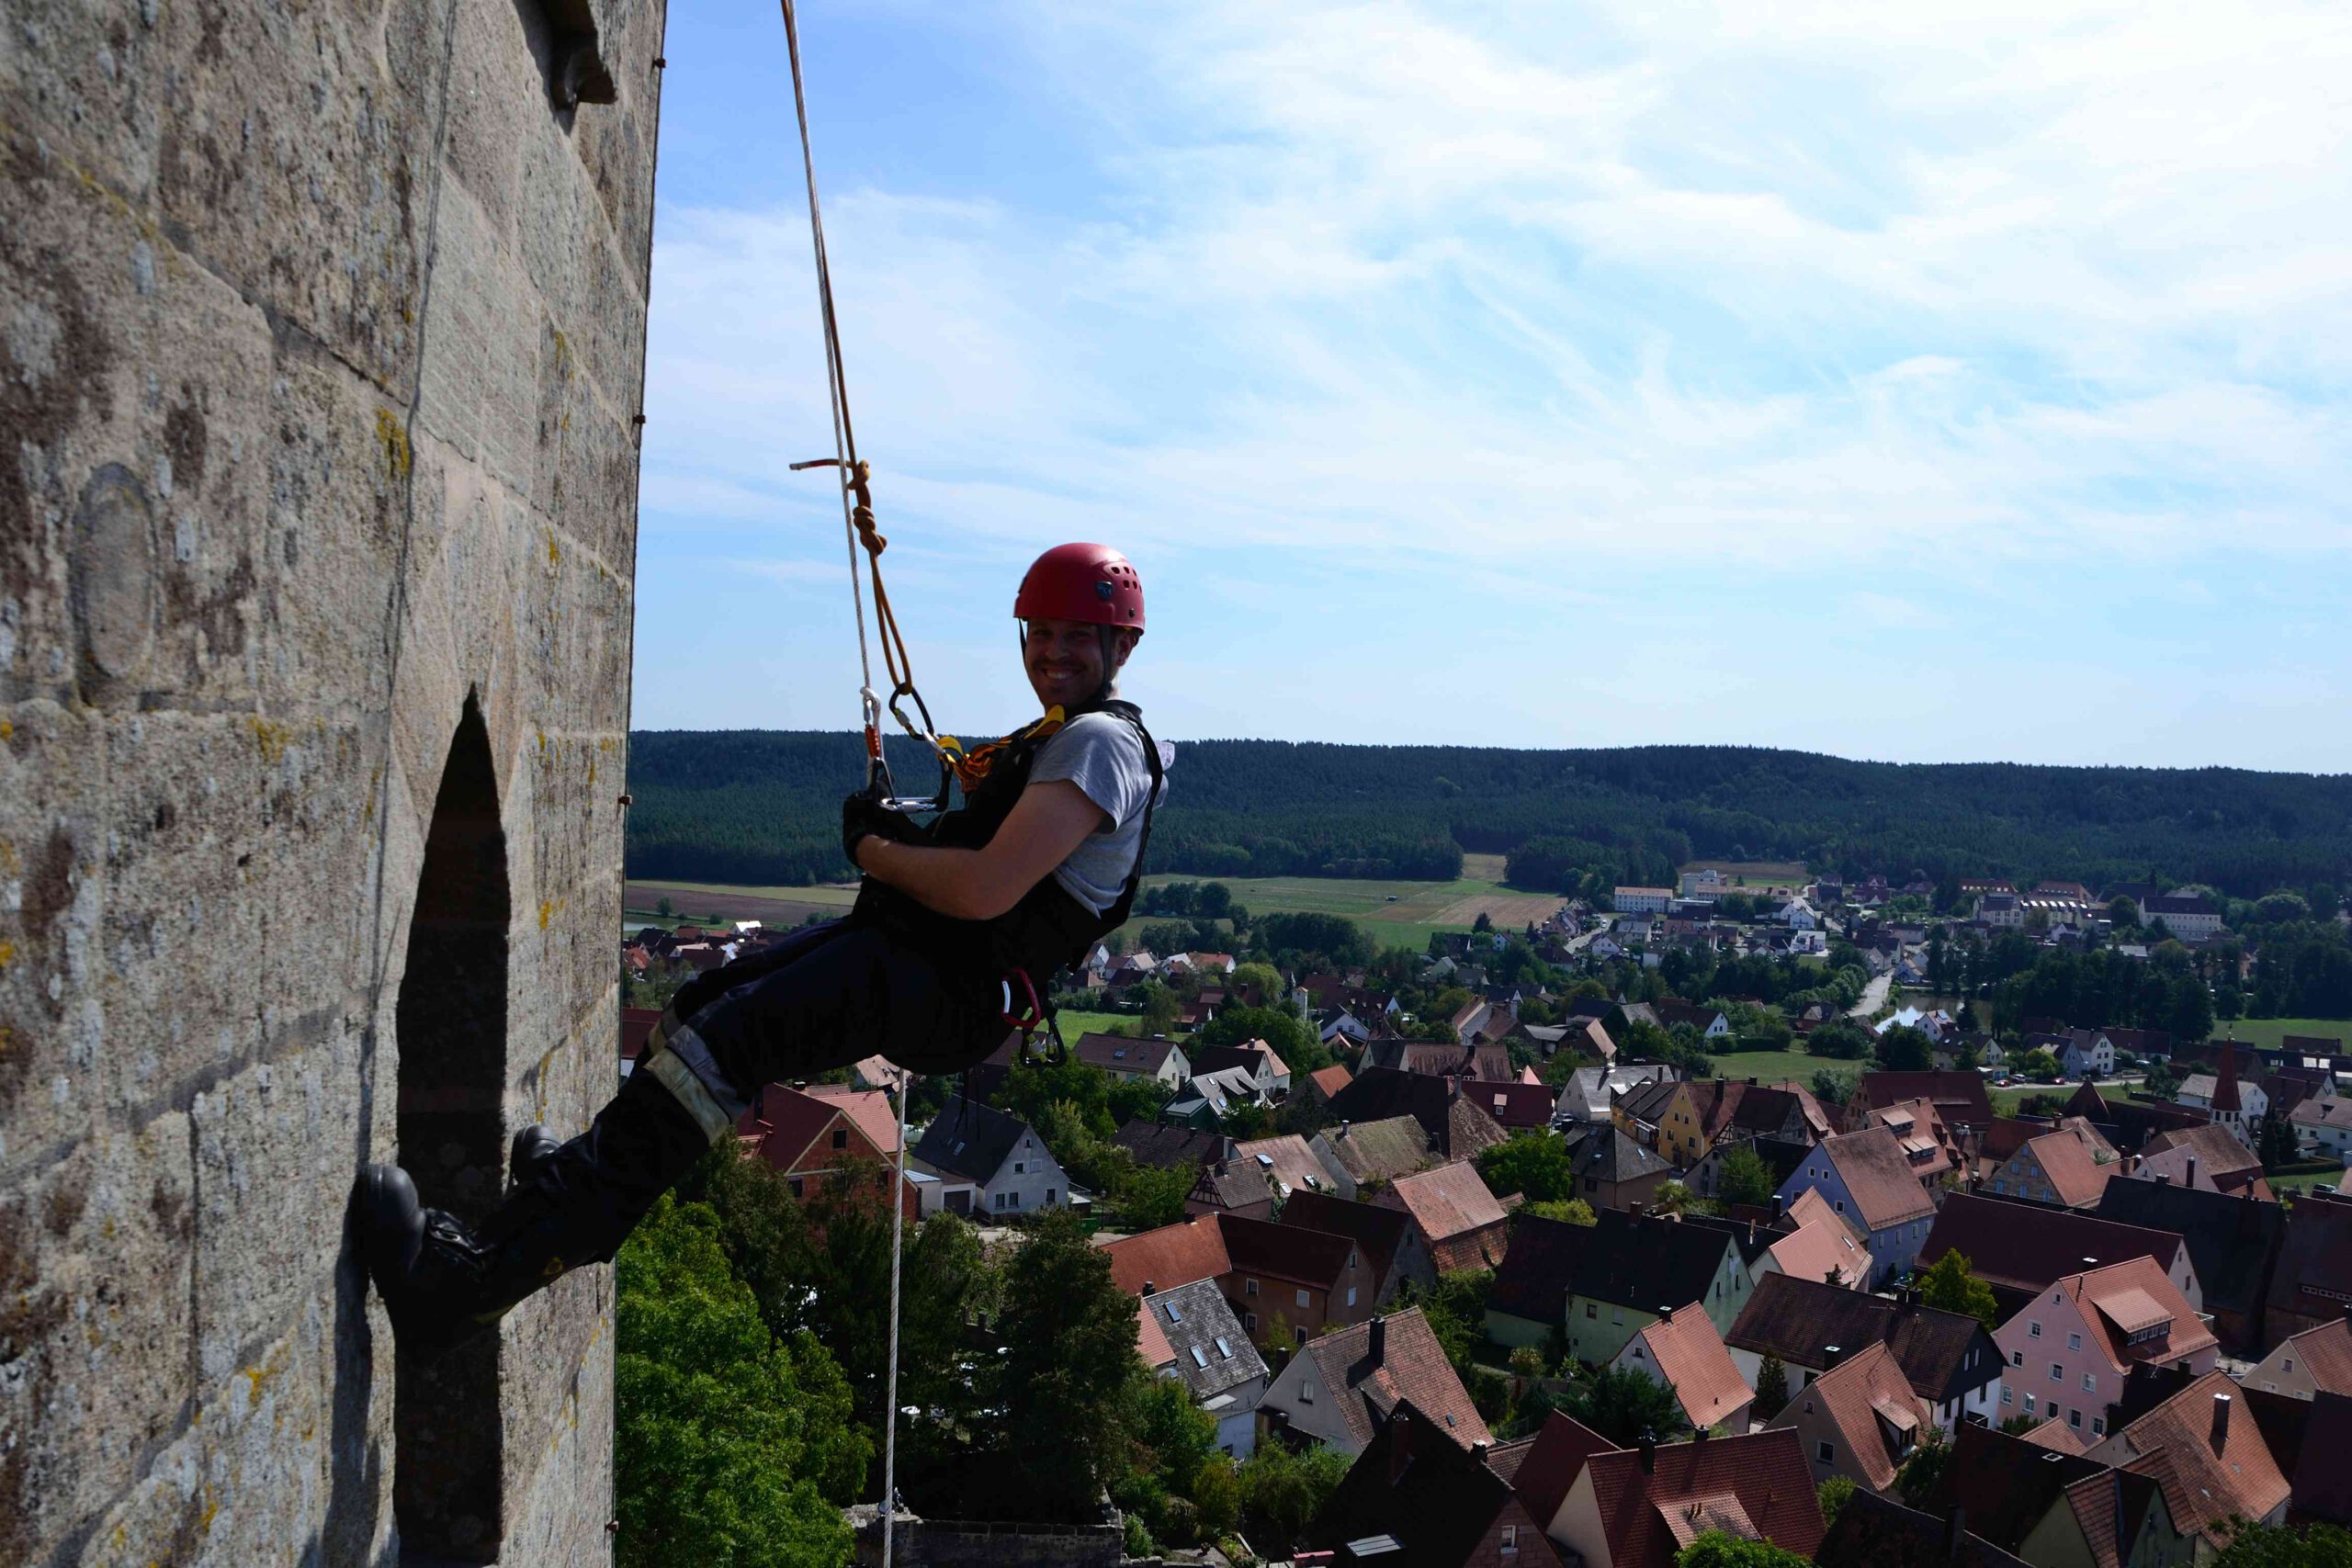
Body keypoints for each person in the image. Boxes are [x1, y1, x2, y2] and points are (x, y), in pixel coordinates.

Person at [354, 543, 1163, 1356]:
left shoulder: (1101, 745)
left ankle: (470, 1282)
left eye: (1078, 636)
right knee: (704, 1007)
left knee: (725, 1042)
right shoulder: (1067, 737)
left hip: (947, 985)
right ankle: (573, 1186)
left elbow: (987, 888)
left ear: (1120, 647)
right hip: (924, 959)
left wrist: (875, 852)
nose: (1053, 651)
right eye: (1041, 632)